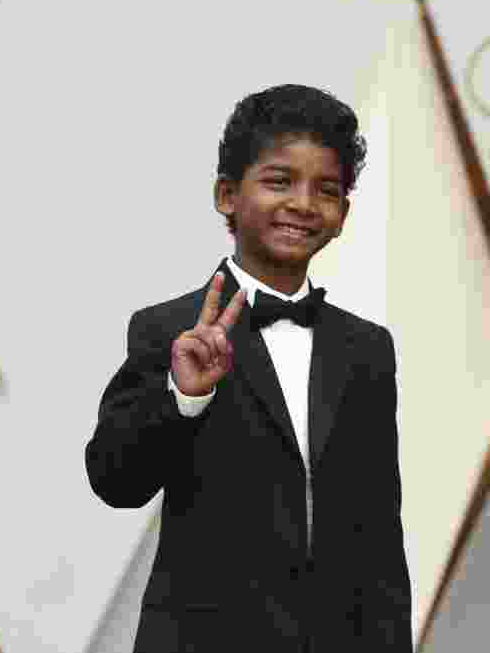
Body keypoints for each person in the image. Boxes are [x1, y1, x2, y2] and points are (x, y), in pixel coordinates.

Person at [85, 84, 411, 653]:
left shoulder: (367, 350)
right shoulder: (166, 330)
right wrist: (182, 398)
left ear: (343, 215)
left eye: (326, 190)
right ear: (226, 195)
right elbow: (116, 480)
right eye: (279, 181)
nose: (303, 204)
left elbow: (379, 542)